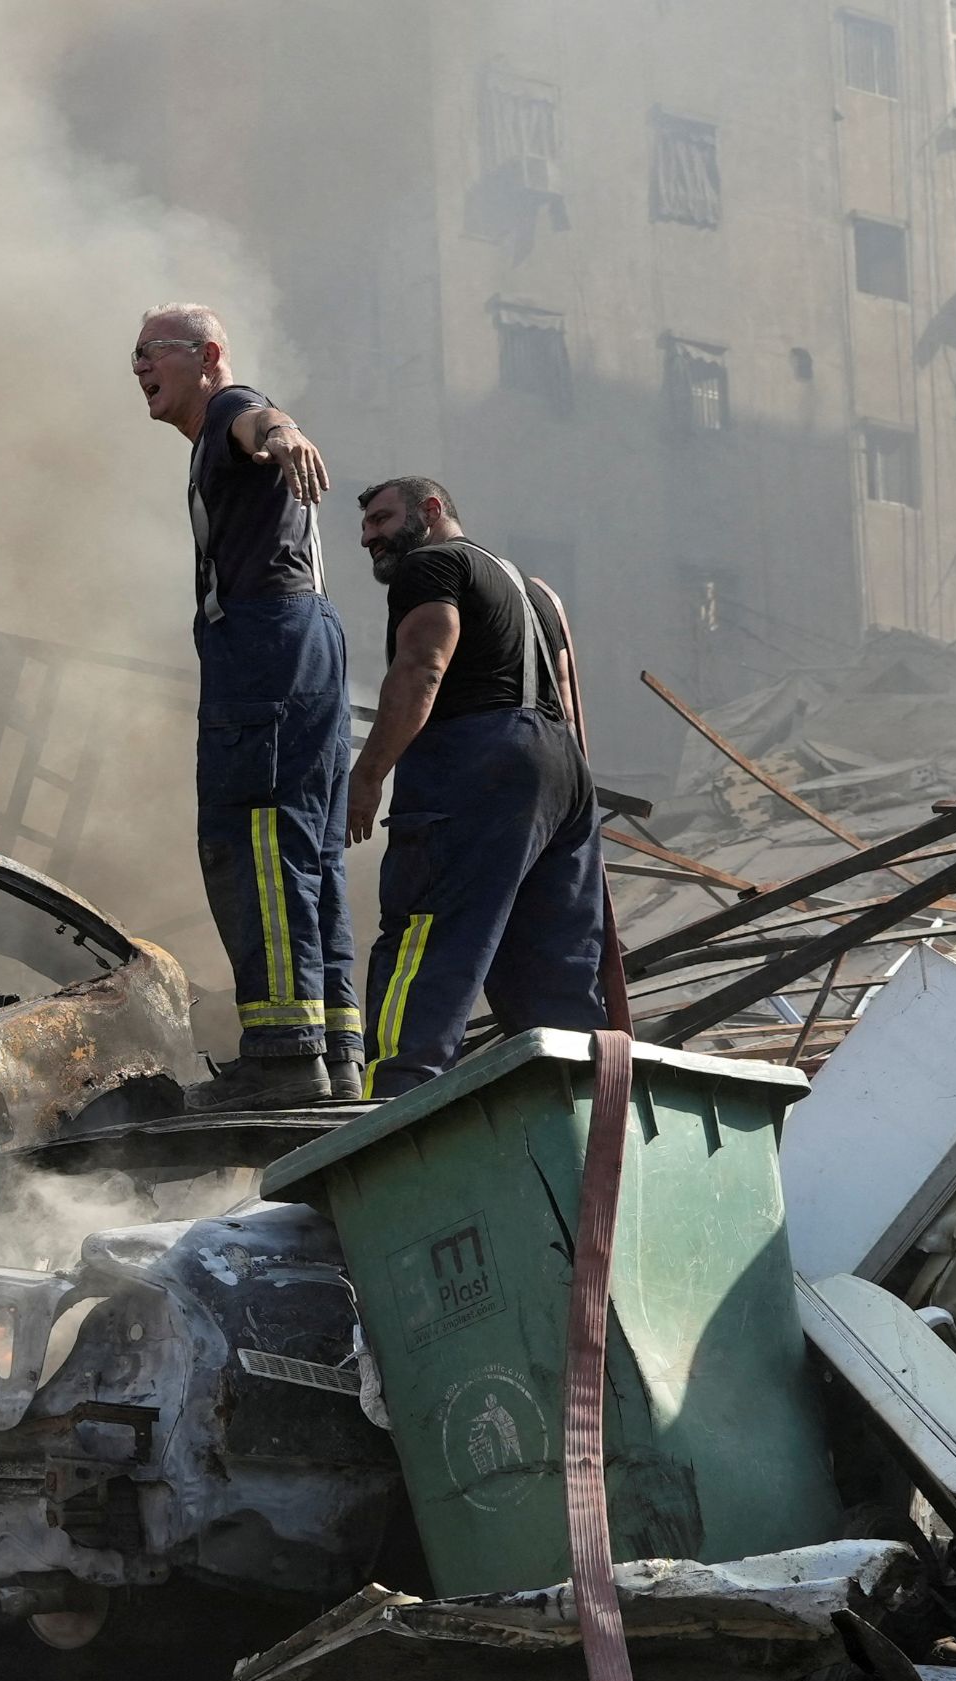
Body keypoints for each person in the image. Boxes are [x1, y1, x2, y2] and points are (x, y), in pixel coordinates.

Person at [131, 304, 361, 1108]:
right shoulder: (212, 441)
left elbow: (261, 420)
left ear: (208, 356)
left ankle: (283, 1055)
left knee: (256, 840)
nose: (137, 368)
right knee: (308, 853)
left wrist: (284, 433)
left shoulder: (232, 409)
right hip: (304, 640)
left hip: (266, 644)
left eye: (151, 352)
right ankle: (334, 1052)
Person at [344, 475, 609, 1098]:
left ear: (431, 510)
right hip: (561, 770)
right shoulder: (535, 592)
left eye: (381, 520)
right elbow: (569, 702)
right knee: (554, 957)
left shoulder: (431, 566)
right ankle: (577, 1101)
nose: (369, 538)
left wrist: (367, 776)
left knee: (427, 932)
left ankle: (393, 1098)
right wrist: (572, 805)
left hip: (476, 761)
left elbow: (422, 667)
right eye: (365, 528)